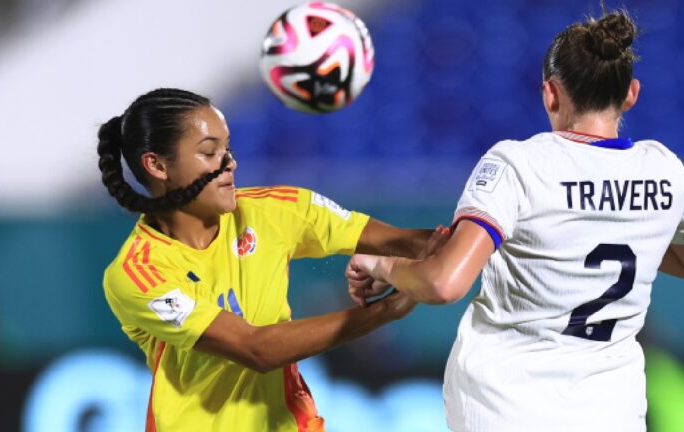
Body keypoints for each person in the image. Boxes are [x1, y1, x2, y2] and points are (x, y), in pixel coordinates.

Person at [346, 9, 684, 432]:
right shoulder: (666, 170)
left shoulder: (519, 164)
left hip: (505, 408)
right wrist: (621, 228)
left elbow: (443, 283)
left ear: (550, 94)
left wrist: (383, 264)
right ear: (631, 93)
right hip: (611, 413)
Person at [97, 88, 445, 432]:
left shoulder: (274, 210)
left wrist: (481, 227)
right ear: (157, 165)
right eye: (209, 152)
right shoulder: (138, 274)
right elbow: (256, 348)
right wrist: (385, 311)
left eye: (227, 147)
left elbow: (410, 243)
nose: (230, 162)